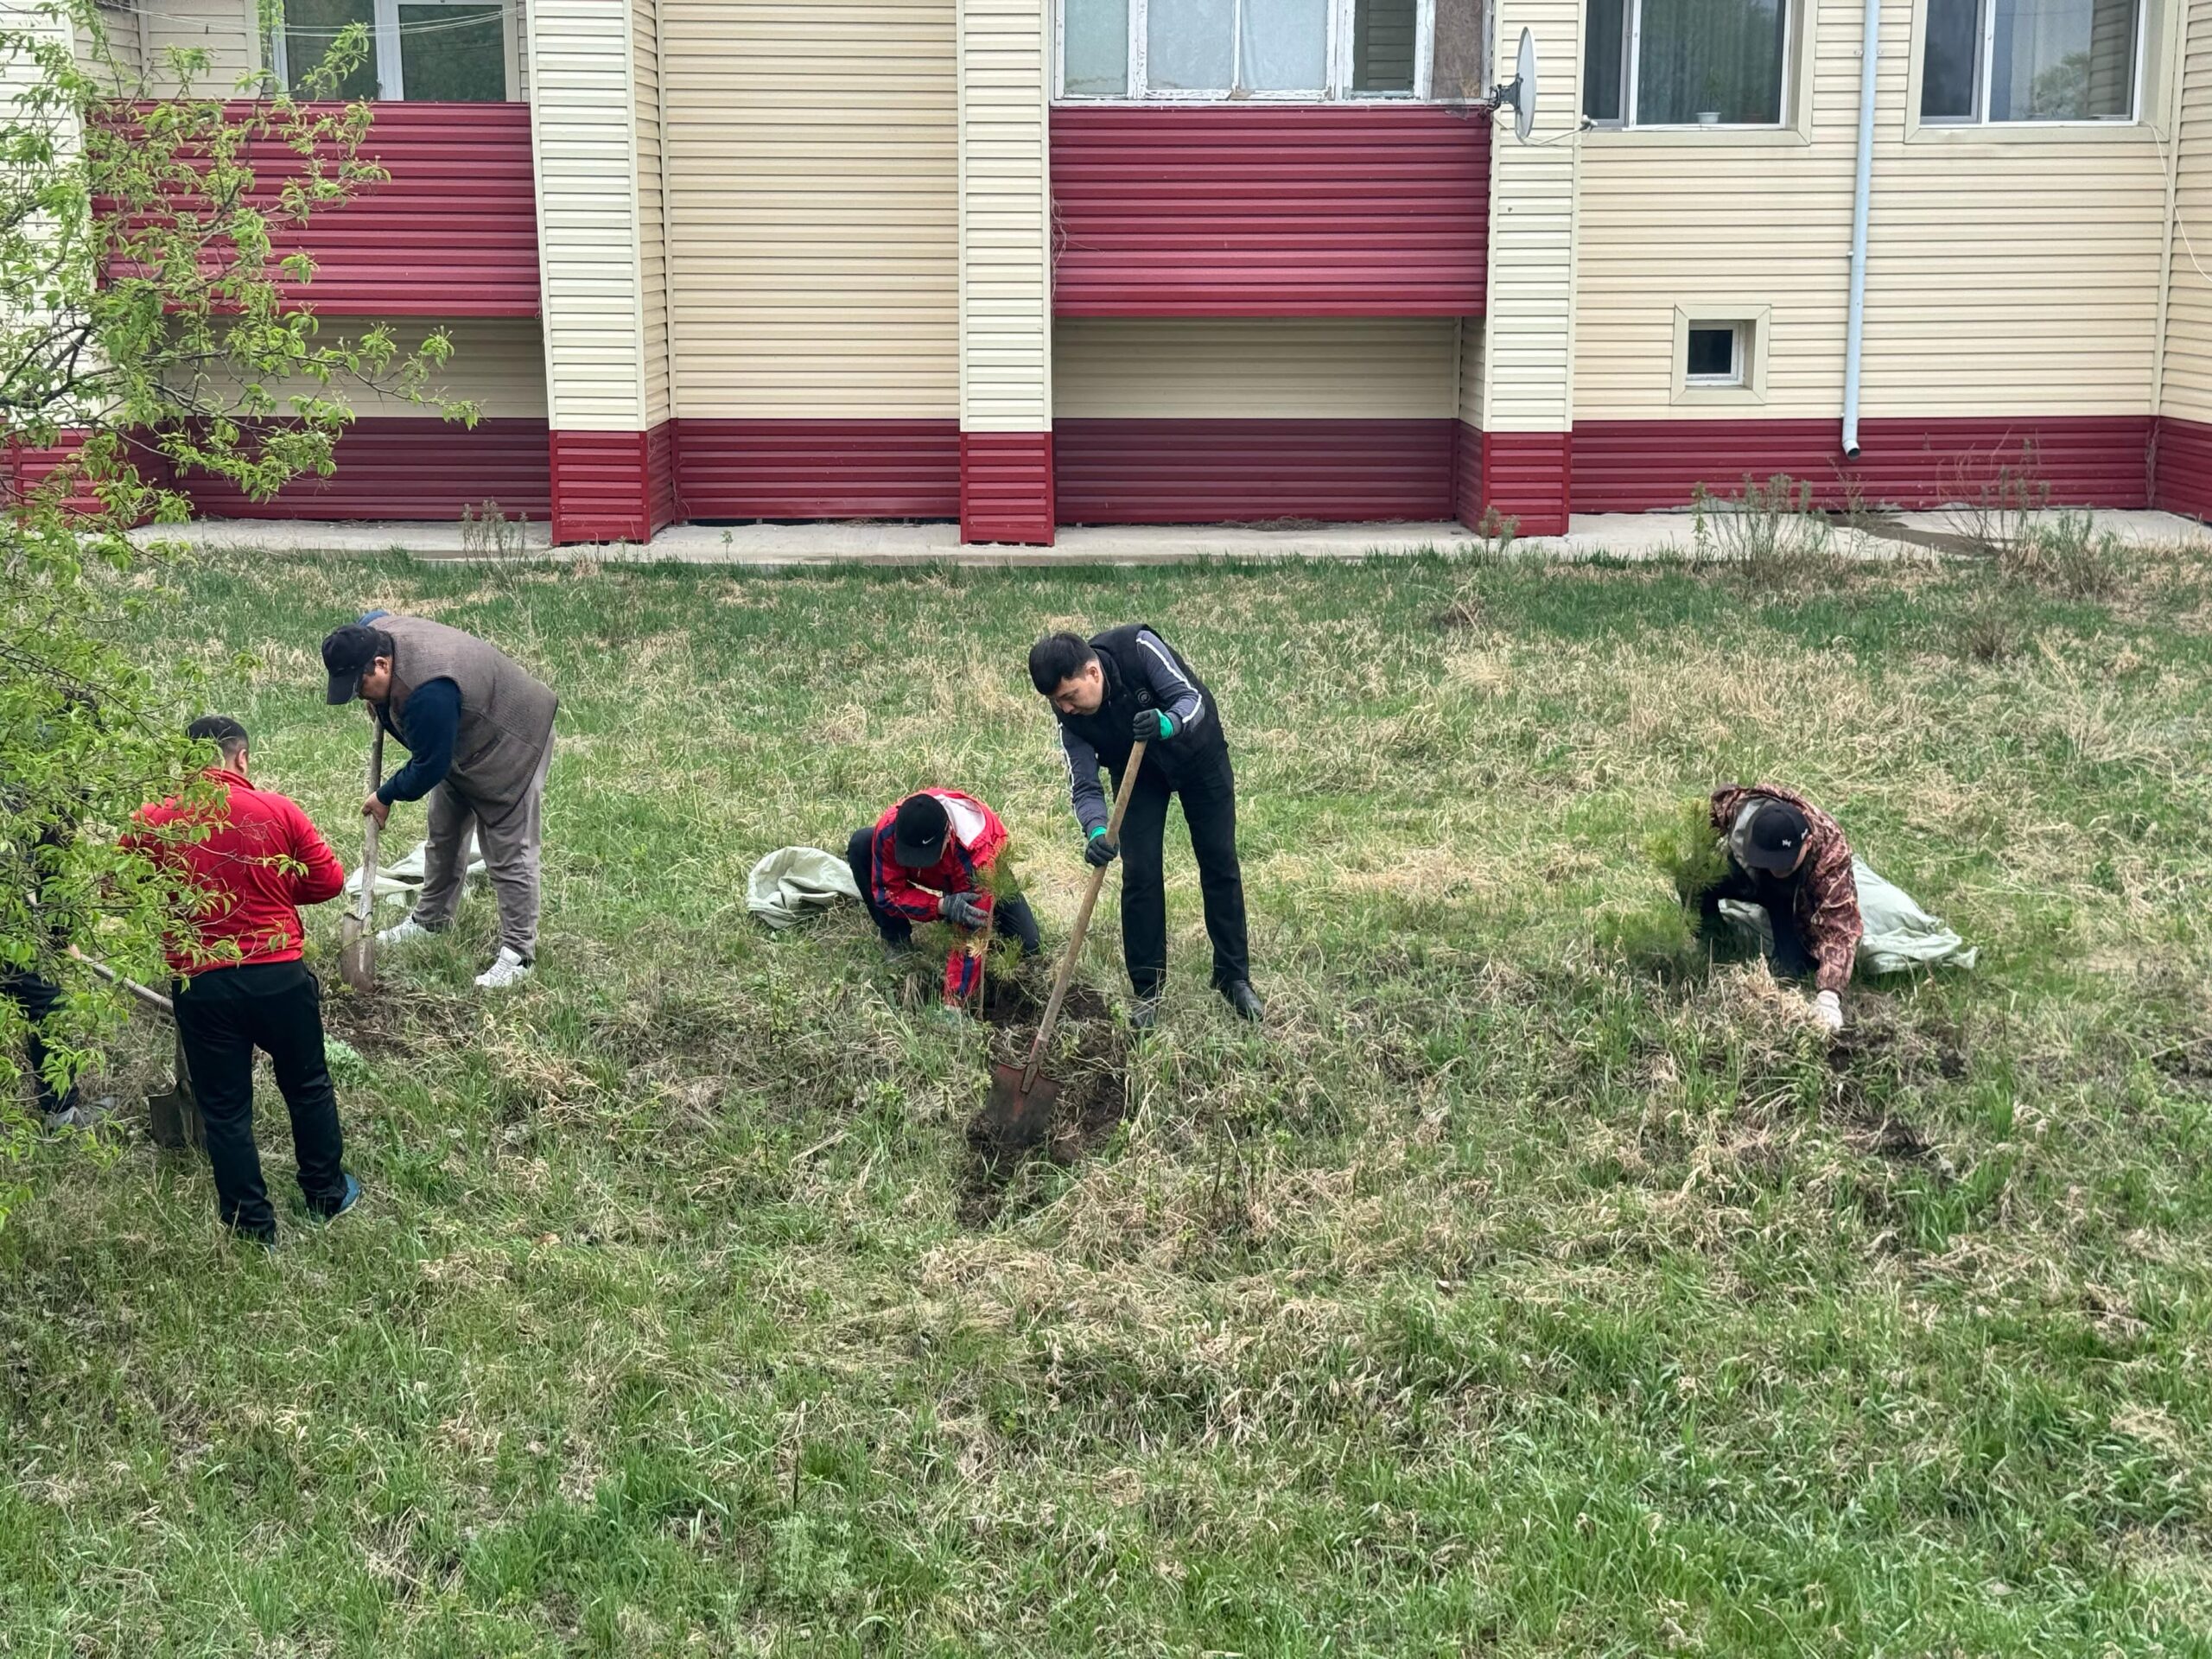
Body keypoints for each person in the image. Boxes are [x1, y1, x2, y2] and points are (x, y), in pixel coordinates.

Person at [129, 717, 359, 1244]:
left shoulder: (155, 821)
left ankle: (252, 1226)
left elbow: (122, 885)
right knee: (307, 1086)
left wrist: (178, 892)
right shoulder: (277, 810)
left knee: (226, 1109)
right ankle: (325, 1195)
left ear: (186, 763)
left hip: (202, 983)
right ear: (242, 757)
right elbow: (329, 880)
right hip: (279, 975)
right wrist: (270, 888)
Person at [1027, 627, 1262, 1030]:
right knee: (1140, 875)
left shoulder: (1137, 648)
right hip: (1138, 776)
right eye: (1056, 701)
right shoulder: (1069, 718)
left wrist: (1167, 723)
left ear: (1093, 673)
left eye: (1069, 696)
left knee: (1218, 860)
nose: (1065, 708)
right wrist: (1096, 830)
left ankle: (1233, 976)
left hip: (1198, 756)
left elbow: (1191, 699)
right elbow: (1083, 785)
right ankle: (1148, 990)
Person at [320, 610, 557, 989]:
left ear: (381, 664)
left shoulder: (428, 693)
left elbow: (429, 767)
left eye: (360, 686)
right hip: (461, 736)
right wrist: (377, 702)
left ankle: (518, 954)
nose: (358, 696)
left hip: (512, 738)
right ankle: (431, 921)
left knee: (509, 851)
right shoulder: (374, 633)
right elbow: (373, 616)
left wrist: (385, 796)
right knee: (444, 833)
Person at [847, 789, 1041, 1018]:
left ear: (947, 834)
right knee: (861, 844)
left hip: (970, 869)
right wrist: (941, 905)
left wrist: (954, 1003)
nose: (919, 862)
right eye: (911, 855)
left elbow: (970, 934)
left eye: (925, 856)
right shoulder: (891, 828)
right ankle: (895, 937)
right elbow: (887, 892)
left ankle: (993, 956)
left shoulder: (977, 854)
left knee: (1029, 944)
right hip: (940, 874)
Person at [1698, 784, 1863, 1033]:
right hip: (1751, 876)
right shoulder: (1742, 809)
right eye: (1769, 862)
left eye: (1783, 864)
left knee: (1792, 969)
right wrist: (1702, 842)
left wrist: (1829, 995)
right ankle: (1714, 938)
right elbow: (1713, 807)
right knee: (1699, 877)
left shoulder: (1830, 852)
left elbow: (1841, 927)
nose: (1775, 870)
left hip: (1792, 895)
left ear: (1807, 843)